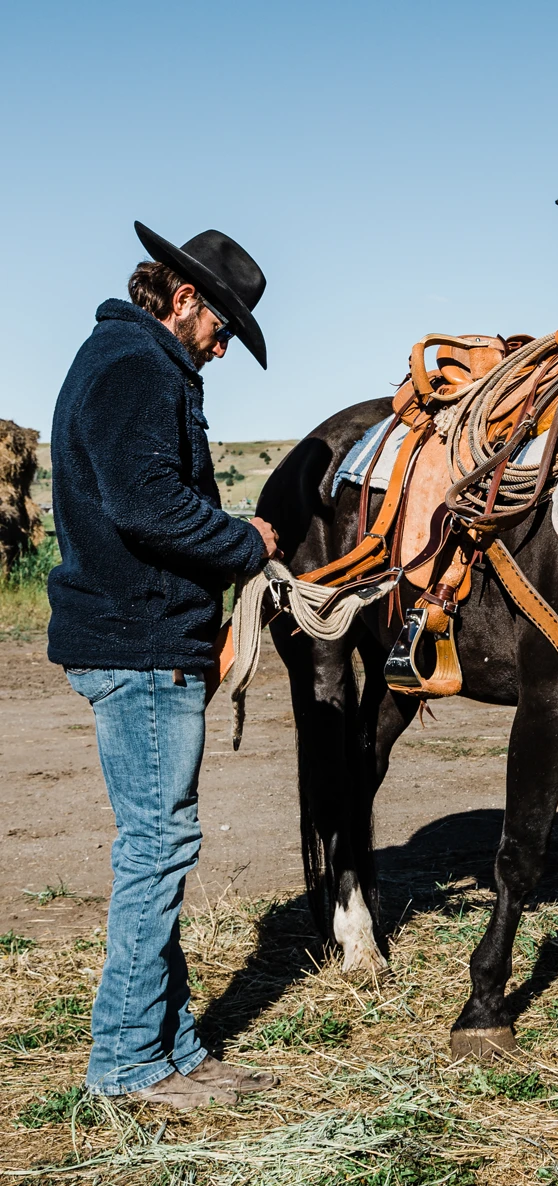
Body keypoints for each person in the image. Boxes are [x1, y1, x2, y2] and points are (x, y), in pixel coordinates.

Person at [48, 222, 281, 1106]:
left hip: (134, 638)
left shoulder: (119, 358)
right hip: (143, 644)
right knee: (157, 848)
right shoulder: (142, 368)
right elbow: (144, 503)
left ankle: (174, 1046)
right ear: (184, 299)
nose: (222, 346)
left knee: (158, 845)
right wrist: (244, 544)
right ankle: (127, 1063)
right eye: (223, 327)